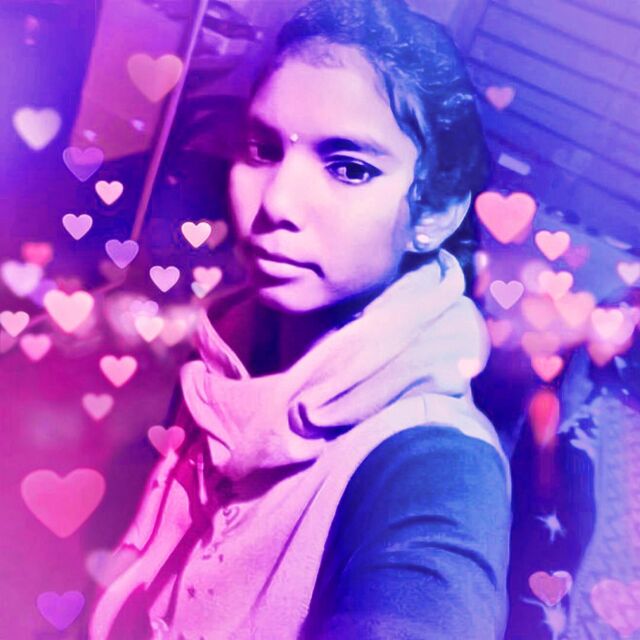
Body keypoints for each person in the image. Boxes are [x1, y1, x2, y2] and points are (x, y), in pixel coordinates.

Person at [89, 0, 512, 638]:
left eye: (351, 168)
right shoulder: (224, 359)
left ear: (434, 212)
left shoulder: (436, 466)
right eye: (262, 150)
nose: (278, 202)